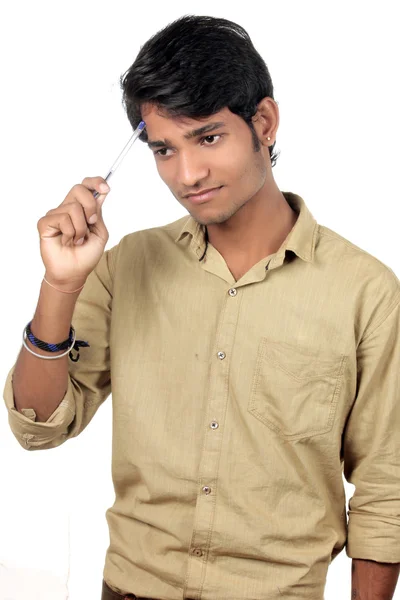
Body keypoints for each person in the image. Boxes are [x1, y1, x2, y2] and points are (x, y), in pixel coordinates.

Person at [3, 14, 400, 600]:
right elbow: (37, 427)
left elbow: (386, 489)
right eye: (164, 149)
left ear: (263, 122)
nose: (187, 174)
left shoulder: (365, 291)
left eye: (208, 137)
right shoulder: (127, 265)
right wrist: (60, 285)